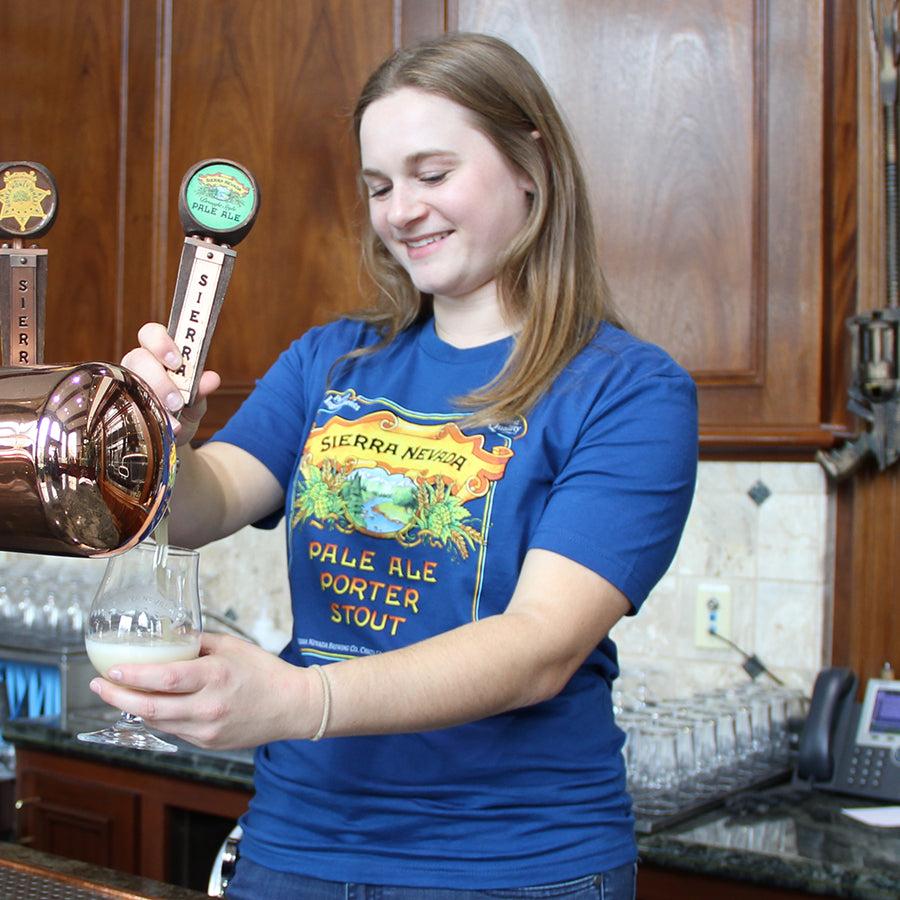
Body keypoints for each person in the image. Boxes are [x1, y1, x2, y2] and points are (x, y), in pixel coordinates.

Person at [100, 32, 698, 900]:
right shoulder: (332, 361)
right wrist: (156, 439)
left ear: (531, 161)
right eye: (379, 186)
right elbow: (197, 506)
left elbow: (537, 648)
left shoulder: (628, 390)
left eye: (432, 173)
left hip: (515, 863)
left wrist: (302, 702)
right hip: (300, 844)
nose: (400, 210)